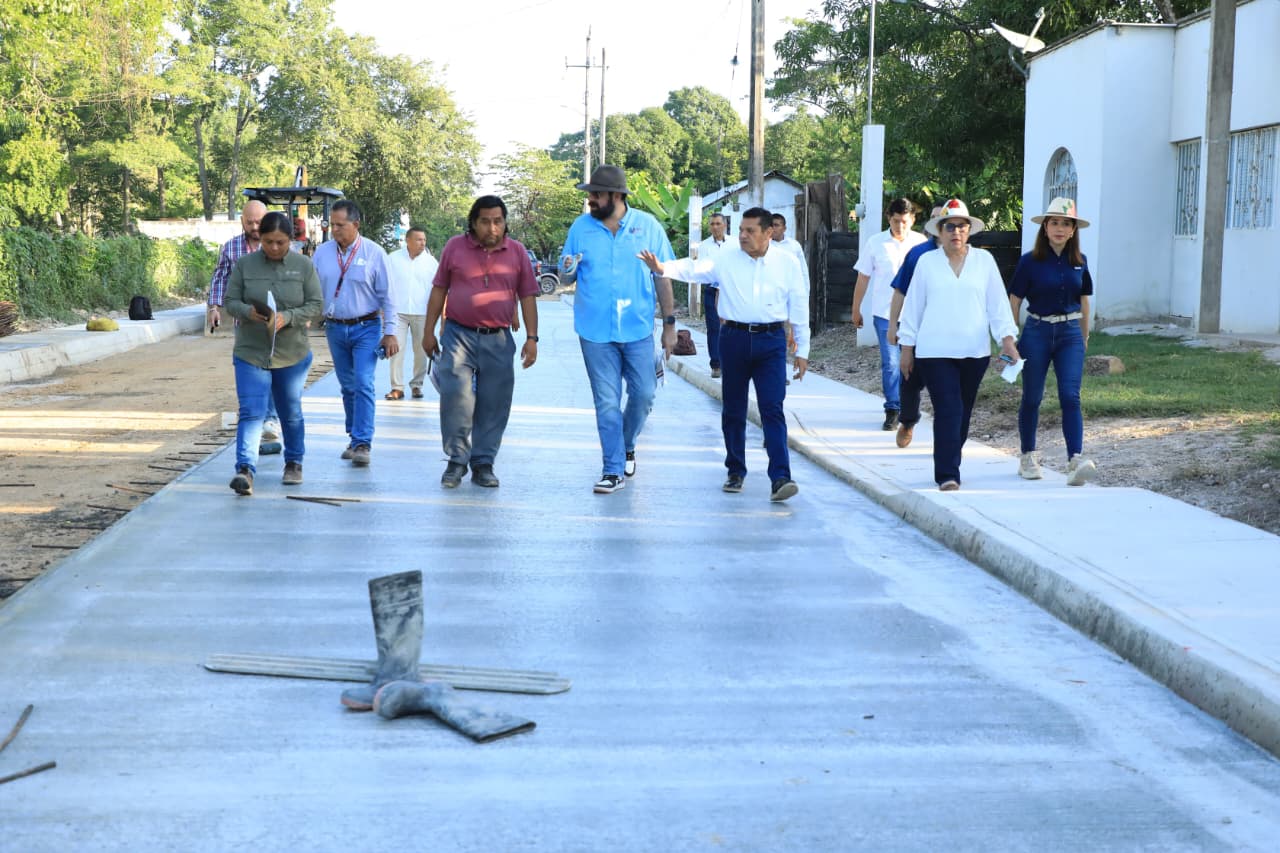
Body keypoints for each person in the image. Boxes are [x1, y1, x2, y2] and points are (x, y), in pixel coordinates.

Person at [639, 207, 810, 502]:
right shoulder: (726, 258)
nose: (742, 236)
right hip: (734, 339)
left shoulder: (787, 262)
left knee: (772, 408)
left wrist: (803, 350)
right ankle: (735, 470)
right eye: (741, 230)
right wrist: (662, 267)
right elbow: (694, 269)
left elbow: (799, 305)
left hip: (771, 342)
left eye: (750, 231)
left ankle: (780, 477)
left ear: (769, 233)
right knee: (733, 408)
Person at [561, 165, 677, 494]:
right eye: (590, 195)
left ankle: (627, 444)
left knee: (643, 395)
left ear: (616, 196)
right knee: (607, 402)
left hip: (638, 329)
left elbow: (662, 275)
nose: (591, 201)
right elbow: (566, 272)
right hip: (595, 332)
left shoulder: (648, 227)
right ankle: (612, 469)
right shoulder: (580, 228)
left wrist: (669, 324)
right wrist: (568, 268)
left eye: (596, 195)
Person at [898, 199, 1019, 491]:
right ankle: (947, 474)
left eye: (961, 226)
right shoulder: (926, 263)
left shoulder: (984, 262)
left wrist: (1008, 340)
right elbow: (913, 307)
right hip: (934, 352)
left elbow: (998, 305)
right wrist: (906, 348)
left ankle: (950, 454)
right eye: (949, 226)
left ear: (969, 230)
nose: (956, 232)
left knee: (962, 413)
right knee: (948, 408)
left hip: (974, 351)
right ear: (939, 231)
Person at [423, 195, 539, 489]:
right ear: (473, 223)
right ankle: (457, 460)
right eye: (485, 221)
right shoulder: (454, 247)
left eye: (498, 221)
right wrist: (428, 331)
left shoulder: (517, 252)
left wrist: (532, 338)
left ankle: (484, 463)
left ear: (505, 223)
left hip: (498, 338)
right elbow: (439, 289)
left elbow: (527, 296)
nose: (492, 228)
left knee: (494, 402)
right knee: (456, 397)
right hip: (458, 335)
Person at [223, 212, 323, 495]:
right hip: (251, 351)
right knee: (251, 412)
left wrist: (288, 316)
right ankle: (245, 469)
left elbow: (316, 303)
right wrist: (247, 311)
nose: (275, 248)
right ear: (260, 239)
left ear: (290, 240)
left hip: (291, 352)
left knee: (290, 412)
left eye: (280, 242)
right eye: (268, 242)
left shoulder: (303, 266)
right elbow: (230, 300)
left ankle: (293, 462)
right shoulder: (245, 265)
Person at [1008, 197, 1097, 486]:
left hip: (1070, 333)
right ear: (1045, 227)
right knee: (1032, 397)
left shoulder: (1079, 262)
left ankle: (1075, 460)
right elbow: (1015, 300)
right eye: (1054, 223)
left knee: (1071, 396)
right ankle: (1028, 456)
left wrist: (1084, 335)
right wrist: (1010, 338)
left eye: (1066, 224)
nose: (1060, 228)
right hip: (1037, 332)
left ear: (1073, 230)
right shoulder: (1029, 262)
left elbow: (1084, 300)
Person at [313, 199, 399, 466]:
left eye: (340, 225)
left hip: (367, 328)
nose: (335, 230)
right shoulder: (322, 253)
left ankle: (363, 443)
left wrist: (391, 331)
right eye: (332, 225)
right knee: (348, 386)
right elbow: (312, 289)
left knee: (363, 382)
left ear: (356, 224)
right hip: (336, 328)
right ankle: (353, 436)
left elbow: (389, 297)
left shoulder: (375, 253)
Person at [208, 199, 283, 448]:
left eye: (258, 221)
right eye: (249, 221)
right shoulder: (231, 249)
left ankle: (270, 420)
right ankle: (253, 418)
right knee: (250, 371)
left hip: (275, 323)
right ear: (242, 221)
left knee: (272, 368)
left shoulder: (278, 246)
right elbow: (220, 278)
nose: (253, 226)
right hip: (246, 323)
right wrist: (214, 308)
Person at [851, 198, 928, 431]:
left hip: (916, 315)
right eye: (896, 221)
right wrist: (855, 308)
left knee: (915, 364)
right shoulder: (875, 243)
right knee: (892, 363)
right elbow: (863, 277)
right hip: (885, 314)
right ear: (889, 219)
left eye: (905, 221)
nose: (900, 226)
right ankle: (893, 409)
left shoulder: (921, 244)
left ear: (913, 220)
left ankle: (910, 407)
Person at [886, 204, 945, 448]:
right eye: (934, 219)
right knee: (910, 378)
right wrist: (893, 325)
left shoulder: (971, 257)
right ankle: (908, 420)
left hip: (950, 335)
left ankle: (947, 441)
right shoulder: (919, 253)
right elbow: (900, 290)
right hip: (918, 331)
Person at [385, 226, 438, 401]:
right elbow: (384, 285)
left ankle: (417, 385)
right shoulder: (393, 259)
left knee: (421, 351)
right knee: (396, 349)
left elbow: (437, 290)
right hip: (397, 312)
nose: (422, 243)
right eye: (418, 239)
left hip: (422, 312)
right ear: (407, 240)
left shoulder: (431, 263)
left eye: (424, 240)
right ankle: (397, 387)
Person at [700, 213, 730, 379]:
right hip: (712, 290)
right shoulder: (704, 246)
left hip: (731, 290)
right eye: (712, 224)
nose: (715, 227)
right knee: (714, 327)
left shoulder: (734, 244)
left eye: (718, 223)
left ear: (725, 225)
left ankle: (732, 362)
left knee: (733, 328)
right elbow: (701, 268)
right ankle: (716, 364)